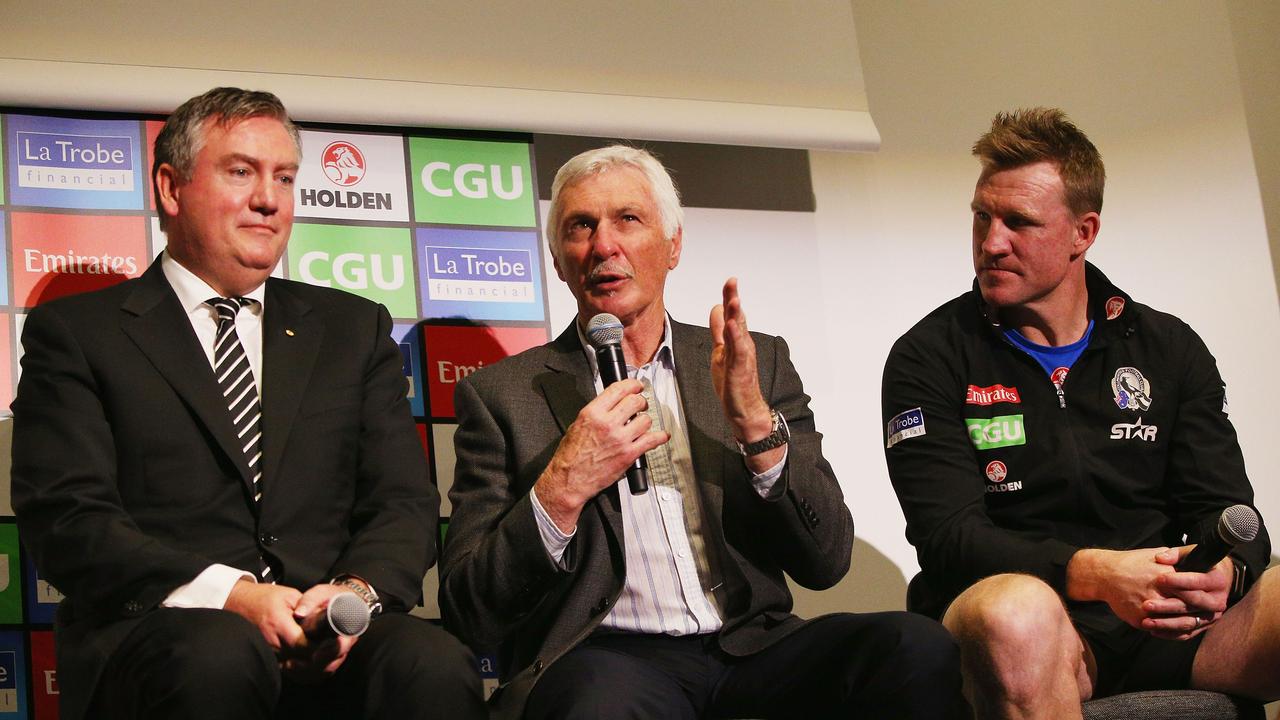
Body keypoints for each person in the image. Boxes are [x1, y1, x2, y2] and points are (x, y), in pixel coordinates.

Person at [10, 87, 484, 720]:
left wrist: (351, 597)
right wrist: (232, 595)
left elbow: (402, 502)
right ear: (171, 189)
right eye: (241, 172)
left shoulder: (353, 330)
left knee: (430, 663)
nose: (269, 199)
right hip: (166, 637)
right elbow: (69, 518)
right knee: (220, 653)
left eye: (284, 177)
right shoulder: (80, 334)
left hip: (329, 638)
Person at [440, 145, 961, 720]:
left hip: (753, 648)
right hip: (608, 657)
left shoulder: (752, 362)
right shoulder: (501, 396)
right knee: (595, 704)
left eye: (628, 219)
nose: (603, 245)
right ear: (560, 260)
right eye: (580, 226)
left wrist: (756, 430)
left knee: (915, 647)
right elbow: (470, 609)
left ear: (673, 245)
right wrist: (562, 486)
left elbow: (826, 559)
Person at [881, 107, 1279, 718]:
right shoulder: (928, 356)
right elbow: (949, 540)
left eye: (1019, 222)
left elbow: (1226, 508)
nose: (991, 243)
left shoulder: (1166, 347)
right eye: (982, 218)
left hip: (1161, 623)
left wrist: (1226, 568)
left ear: (1082, 232)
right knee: (1017, 615)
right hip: (1030, 619)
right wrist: (1094, 574)